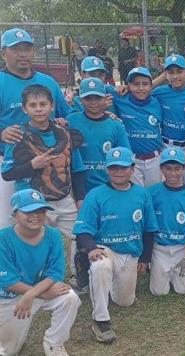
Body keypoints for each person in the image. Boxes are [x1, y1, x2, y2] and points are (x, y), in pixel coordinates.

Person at [73, 146, 158, 344]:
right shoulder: (96, 194)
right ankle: (100, 320)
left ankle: (104, 282)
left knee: (124, 301)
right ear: (107, 170)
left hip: (130, 252)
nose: (118, 172)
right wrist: (91, 248)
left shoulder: (142, 194)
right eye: (113, 168)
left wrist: (145, 259)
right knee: (100, 265)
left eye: (123, 167)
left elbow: (149, 229)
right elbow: (83, 231)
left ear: (132, 168)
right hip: (105, 249)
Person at [2, 85, 86, 279]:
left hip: (63, 198)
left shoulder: (64, 133)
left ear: (52, 106)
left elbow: (77, 169)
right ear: (24, 109)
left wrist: (79, 198)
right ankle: (26, 279)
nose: (38, 109)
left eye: (43, 104)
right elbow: (7, 174)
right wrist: (33, 164)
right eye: (33, 105)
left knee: (81, 234)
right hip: (31, 200)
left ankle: (80, 276)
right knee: (31, 240)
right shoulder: (18, 135)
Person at [0, 28, 71, 229]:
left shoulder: (47, 82)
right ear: (3, 52)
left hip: (48, 159)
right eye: (16, 49)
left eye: (27, 48)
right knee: (8, 223)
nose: (23, 54)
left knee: (48, 221)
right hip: (10, 161)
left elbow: (66, 114)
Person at [0, 189, 81, 356]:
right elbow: (8, 282)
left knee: (70, 298)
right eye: (28, 211)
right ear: (15, 214)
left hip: (38, 290)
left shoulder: (52, 235)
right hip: (9, 298)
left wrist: (33, 294)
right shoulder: (3, 239)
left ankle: (54, 343)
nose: (35, 215)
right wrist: (37, 293)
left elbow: (55, 273)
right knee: (9, 351)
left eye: (40, 210)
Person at [148, 148, 185, 296]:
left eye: (177, 169)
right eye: (168, 168)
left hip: (181, 247)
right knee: (158, 292)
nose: (172, 173)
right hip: (160, 248)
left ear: (184, 169)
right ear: (161, 168)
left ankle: (178, 272)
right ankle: (162, 270)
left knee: (184, 290)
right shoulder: (152, 192)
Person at [68, 78, 131, 193]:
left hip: (108, 187)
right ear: (80, 99)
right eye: (88, 98)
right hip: (78, 188)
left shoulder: (115, 125)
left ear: (105, 98)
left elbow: (125, 157)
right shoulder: (71, 120)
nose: (93, 102)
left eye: (98, 97)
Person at [153, 54, 185, 184]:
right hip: (166, 146)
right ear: (166, 74)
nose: (175, 76)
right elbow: (143, 90)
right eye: (170, 72)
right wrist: (163, 76)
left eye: (180, 72)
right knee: (166, 185)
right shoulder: (160, 92)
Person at [112, 67, 164, 187]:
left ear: (151, 86)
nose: (141, 88)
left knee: (153, 194)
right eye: (135, 84)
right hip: (132, 159)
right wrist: (117, 88)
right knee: (134, 194)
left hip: (154, 158)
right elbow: (99, 88)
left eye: (145, 84)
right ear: (128, 86)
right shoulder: (121, 99)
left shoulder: (158, 101)